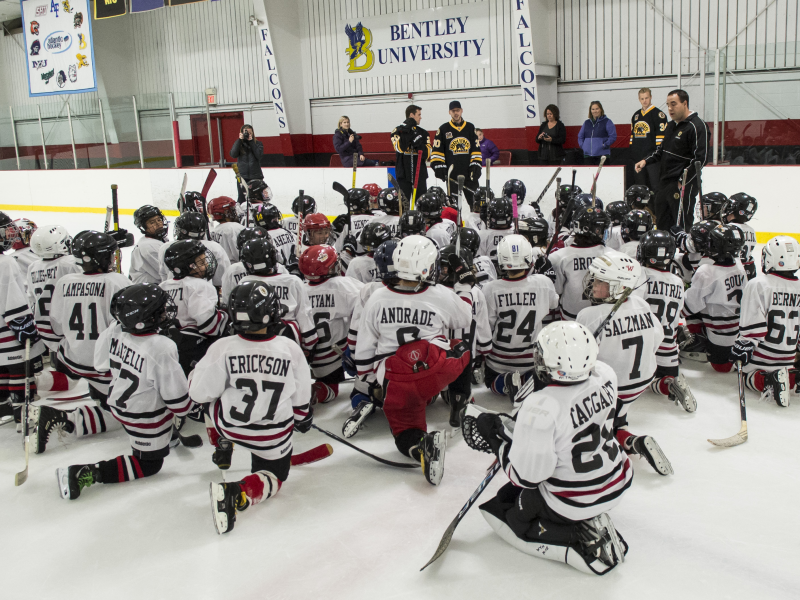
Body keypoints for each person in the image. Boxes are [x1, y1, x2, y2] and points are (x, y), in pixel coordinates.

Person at [474, 321, 630, 574]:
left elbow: (526, 478)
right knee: (509, 496)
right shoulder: (606, 374)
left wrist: (497, 441)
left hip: (573, 499)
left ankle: (578, 537)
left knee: (511, 517)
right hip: (616, 479)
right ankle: (586, 521)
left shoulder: (542, 406)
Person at [191, 281, 313, 534]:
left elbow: (199, 393)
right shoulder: (289, 348)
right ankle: (238, 491)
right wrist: (302, 418)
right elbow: (301, 396)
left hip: (231, 427)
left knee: (208, 396)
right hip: (273, 435)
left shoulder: (222, 348)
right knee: (274, 477)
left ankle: (222, 443)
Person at [354, 235, 473, 484]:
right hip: (434, 373)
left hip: (395, 380)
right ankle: (458, 400)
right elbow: (465, 318)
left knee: (404, 434)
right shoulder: (440, 294)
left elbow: (364, 349)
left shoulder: (377, 297)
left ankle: (422, 446)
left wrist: (372, 384)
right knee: (461, 348)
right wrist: (464, 286)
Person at [55, 284, 191, 500]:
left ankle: (166, 436)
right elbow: (178, 402)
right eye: (161, 310)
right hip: (144, 417)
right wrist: (195, 406)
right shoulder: (162, 347)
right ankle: (86, 472)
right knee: (149, 464)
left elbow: (101, 365)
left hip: (119, 402)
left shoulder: (116, 329)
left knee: (141, 397)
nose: (166, 312)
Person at [33, 232, 130, 453]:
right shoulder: (117, 281)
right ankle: (65, 418)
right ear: (103, 258)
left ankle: (33, 383)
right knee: (128, 413)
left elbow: (56, 325)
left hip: (73, 360)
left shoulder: (65, 281)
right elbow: (128, 326)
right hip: (104, 365)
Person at [576, 252, 672, 476]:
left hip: (610, 388)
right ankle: (626, 433)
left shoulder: (589, 315)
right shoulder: (640, 303)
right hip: (640, 383)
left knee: (590, 429)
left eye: (600, 281)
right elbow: (657, 338)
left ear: (619, 287)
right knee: (617, 413)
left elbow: (579, 361)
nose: (593, 284)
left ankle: (624, 440)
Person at [482, 235, 558, 404]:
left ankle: (506, 382)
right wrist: (547, 276)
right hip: (531, 359)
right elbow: (554, 304)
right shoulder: (543, 283)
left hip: (499, 359)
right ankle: (527, 381)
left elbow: (488, 325)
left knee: (490, 381)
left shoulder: (490, 289)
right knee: (541, 375)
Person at [731, 236, 800, 407]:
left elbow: (752, 327)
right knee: (789, 369)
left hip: (761, 358)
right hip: (788, 358)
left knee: (747, 377)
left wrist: (744, 344)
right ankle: (792, 377)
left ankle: (769, 380)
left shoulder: (759, 284)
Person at [634, 230, 696, 412]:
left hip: (645, 346)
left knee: (638, 380)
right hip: (669, 351)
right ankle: (669, 383)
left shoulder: (639, 275)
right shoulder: (678, 281)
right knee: (656, 379)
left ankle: (664, 384)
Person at [635, 89, 709, 231]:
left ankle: (682, 245)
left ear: (685, 103)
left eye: (673, 104)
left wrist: (683, 181)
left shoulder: (697, 126)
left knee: (681, 225)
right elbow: (661, 150)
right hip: (664, 182)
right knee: (662, 223)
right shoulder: (670, 126)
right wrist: (646, 161)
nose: (670, 108)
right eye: (668, 105)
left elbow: (701, 159)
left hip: (682, 185)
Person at [300, 245, 364, 405]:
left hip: (313, 358)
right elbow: (369, 306)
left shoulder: (300, 290)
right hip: (340, 354)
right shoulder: (343, 286)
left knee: (330, 388)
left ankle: (310, 390)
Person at [681, 224, 747, 372]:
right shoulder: (739, 266)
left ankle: (699, 339)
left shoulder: (707, 271)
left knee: (721, 367)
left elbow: (688, 306)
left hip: (719, 334)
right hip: (738, 332)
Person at [0, 213, 45, 425]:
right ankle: (22, 413)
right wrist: (24, 326)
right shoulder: (6, 262)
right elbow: (13, 298)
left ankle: (3, 409)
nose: (9, 235)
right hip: (8, 329)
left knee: (2, 370)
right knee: (19, 369)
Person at [160, 240, 229, 376]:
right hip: (194, 350)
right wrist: (225, 315)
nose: (207, 265)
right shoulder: (200, 286)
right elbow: (209, 326)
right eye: (202, 262)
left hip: (166, 346)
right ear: (188, 266)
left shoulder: (163, 286)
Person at [550, 206, 610, 320]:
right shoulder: (613, 255)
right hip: (602, 318)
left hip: (572, 318)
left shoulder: (558, 257)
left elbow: (557, 291)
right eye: (602, 229)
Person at [430, 101, 482, 207]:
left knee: (476, 205)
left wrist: (475, 165)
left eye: (457, 110)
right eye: (453, 111)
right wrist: (439, 166)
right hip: (452, 175)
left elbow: (476, 149)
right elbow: (437, 150)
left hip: (469, 174)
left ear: (461, 111)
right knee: (453, 207)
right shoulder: (443, 129)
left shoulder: (470, 127)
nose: (456, 113)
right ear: (449, 112)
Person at [629, 88, 668, 191]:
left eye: (646, 98)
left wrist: (653, 157)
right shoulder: (636, 116)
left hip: (652, 159)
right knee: (640, 188)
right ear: (639, 99)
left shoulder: (659, 115)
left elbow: (661, 141)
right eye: (642, 98)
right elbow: (632, 138)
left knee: (655, 187)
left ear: (651, 97)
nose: (644, 101)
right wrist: (633, 156)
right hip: (638, 158)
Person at [390, 105, 431, 201]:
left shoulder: (423, 133)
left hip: (419, 174)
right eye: (419, 115)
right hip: (403, 174)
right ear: (412, 115)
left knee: (422, 204)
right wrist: (407, 133)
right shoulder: (398, 131)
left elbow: (428, 155)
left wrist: (419, 144)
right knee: (404, 204)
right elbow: (399, 148)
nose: (420, 117)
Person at [130, 206, 169, 284]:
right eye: (152, 222)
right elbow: (167, 273)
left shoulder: (160, 240)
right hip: (146, 288)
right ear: (143, 227)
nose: (158, 224)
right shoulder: (148, 246)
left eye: (159, 220)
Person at [207, 196, 245, 263]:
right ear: (226, 212)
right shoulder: (235, 228)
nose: (235, 212)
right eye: (232, 209)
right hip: (236, 266)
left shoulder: (214, 230)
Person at [577, 101, 616, 165]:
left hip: (602, 155)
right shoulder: (586, 123)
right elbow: (580, 136)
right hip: (588, 156)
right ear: (590, 111)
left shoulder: (607, 122)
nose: (595, 111)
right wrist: (583, 146)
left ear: (601, 109)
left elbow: (613, 136)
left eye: (597, 109)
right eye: (593, 109)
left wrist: (604, 145)